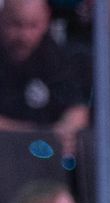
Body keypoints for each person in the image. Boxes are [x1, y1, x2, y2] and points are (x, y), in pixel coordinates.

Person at [0, 0, 89, 157]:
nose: (24, 36)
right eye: (15, 24)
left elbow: (77, 109)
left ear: (46, 21)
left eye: (33, 26)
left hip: (44, 160)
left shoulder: (55, 56)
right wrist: (37, 136)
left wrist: (66, 130)